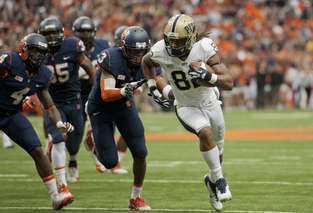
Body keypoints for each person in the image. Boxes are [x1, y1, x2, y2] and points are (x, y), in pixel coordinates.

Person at [142, 14, 233, 211]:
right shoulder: (160, 50)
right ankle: (219, 180)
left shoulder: (204, 47)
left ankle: (211, 180)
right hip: (185, 105)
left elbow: (229, 82)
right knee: (205, 133)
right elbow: (146, 62)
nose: (173, 45)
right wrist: (152, 86)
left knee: (218, 151)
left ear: (191, 38)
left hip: (210, 101)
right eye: (170, 40)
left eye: (179, 41)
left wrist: (209, 76)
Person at [86, 26, 167, 210]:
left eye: (142, 51)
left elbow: (159, 78)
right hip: (101, 108)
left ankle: (135, 198)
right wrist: (123, 90)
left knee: (140, 151)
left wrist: (166, 92)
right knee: (109, 162)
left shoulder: (149, 60)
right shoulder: (111, 58)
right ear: (123, 48)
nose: (139, 55)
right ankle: (93, 140)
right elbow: (106, 94)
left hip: (124, 106)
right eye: (134, 51)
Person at [0, 33, 75, 210]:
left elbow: (49, 106)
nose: (38, 56)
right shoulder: (10, 60)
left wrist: (59, 124)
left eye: (42, 52)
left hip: (11, 114)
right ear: (24, 50)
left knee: (36, 147)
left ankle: (55, 196)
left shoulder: (43, 75)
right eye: (34, 51)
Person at [38, 17, 95, 184]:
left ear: (61, 34)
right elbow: (28, 76)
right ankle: (62, 185)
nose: (51, 37)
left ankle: (73, 161)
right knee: (58, 139)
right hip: (51, 102)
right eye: (47, 34)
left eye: (54, 33)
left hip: (73, 99)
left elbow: (91, 71)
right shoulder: (38, 51)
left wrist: (95, 94)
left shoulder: (72, 46)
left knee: (75, 140)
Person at [73, 17, 128, 174]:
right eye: (82, 31)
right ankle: (73, 160)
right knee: (78, 128)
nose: (85, 34)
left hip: (98, 91)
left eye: (88, 31)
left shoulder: (104, 45)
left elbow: (113, 65)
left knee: (109, 125)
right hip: (78, 92)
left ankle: (101, 158)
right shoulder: (71, 47)